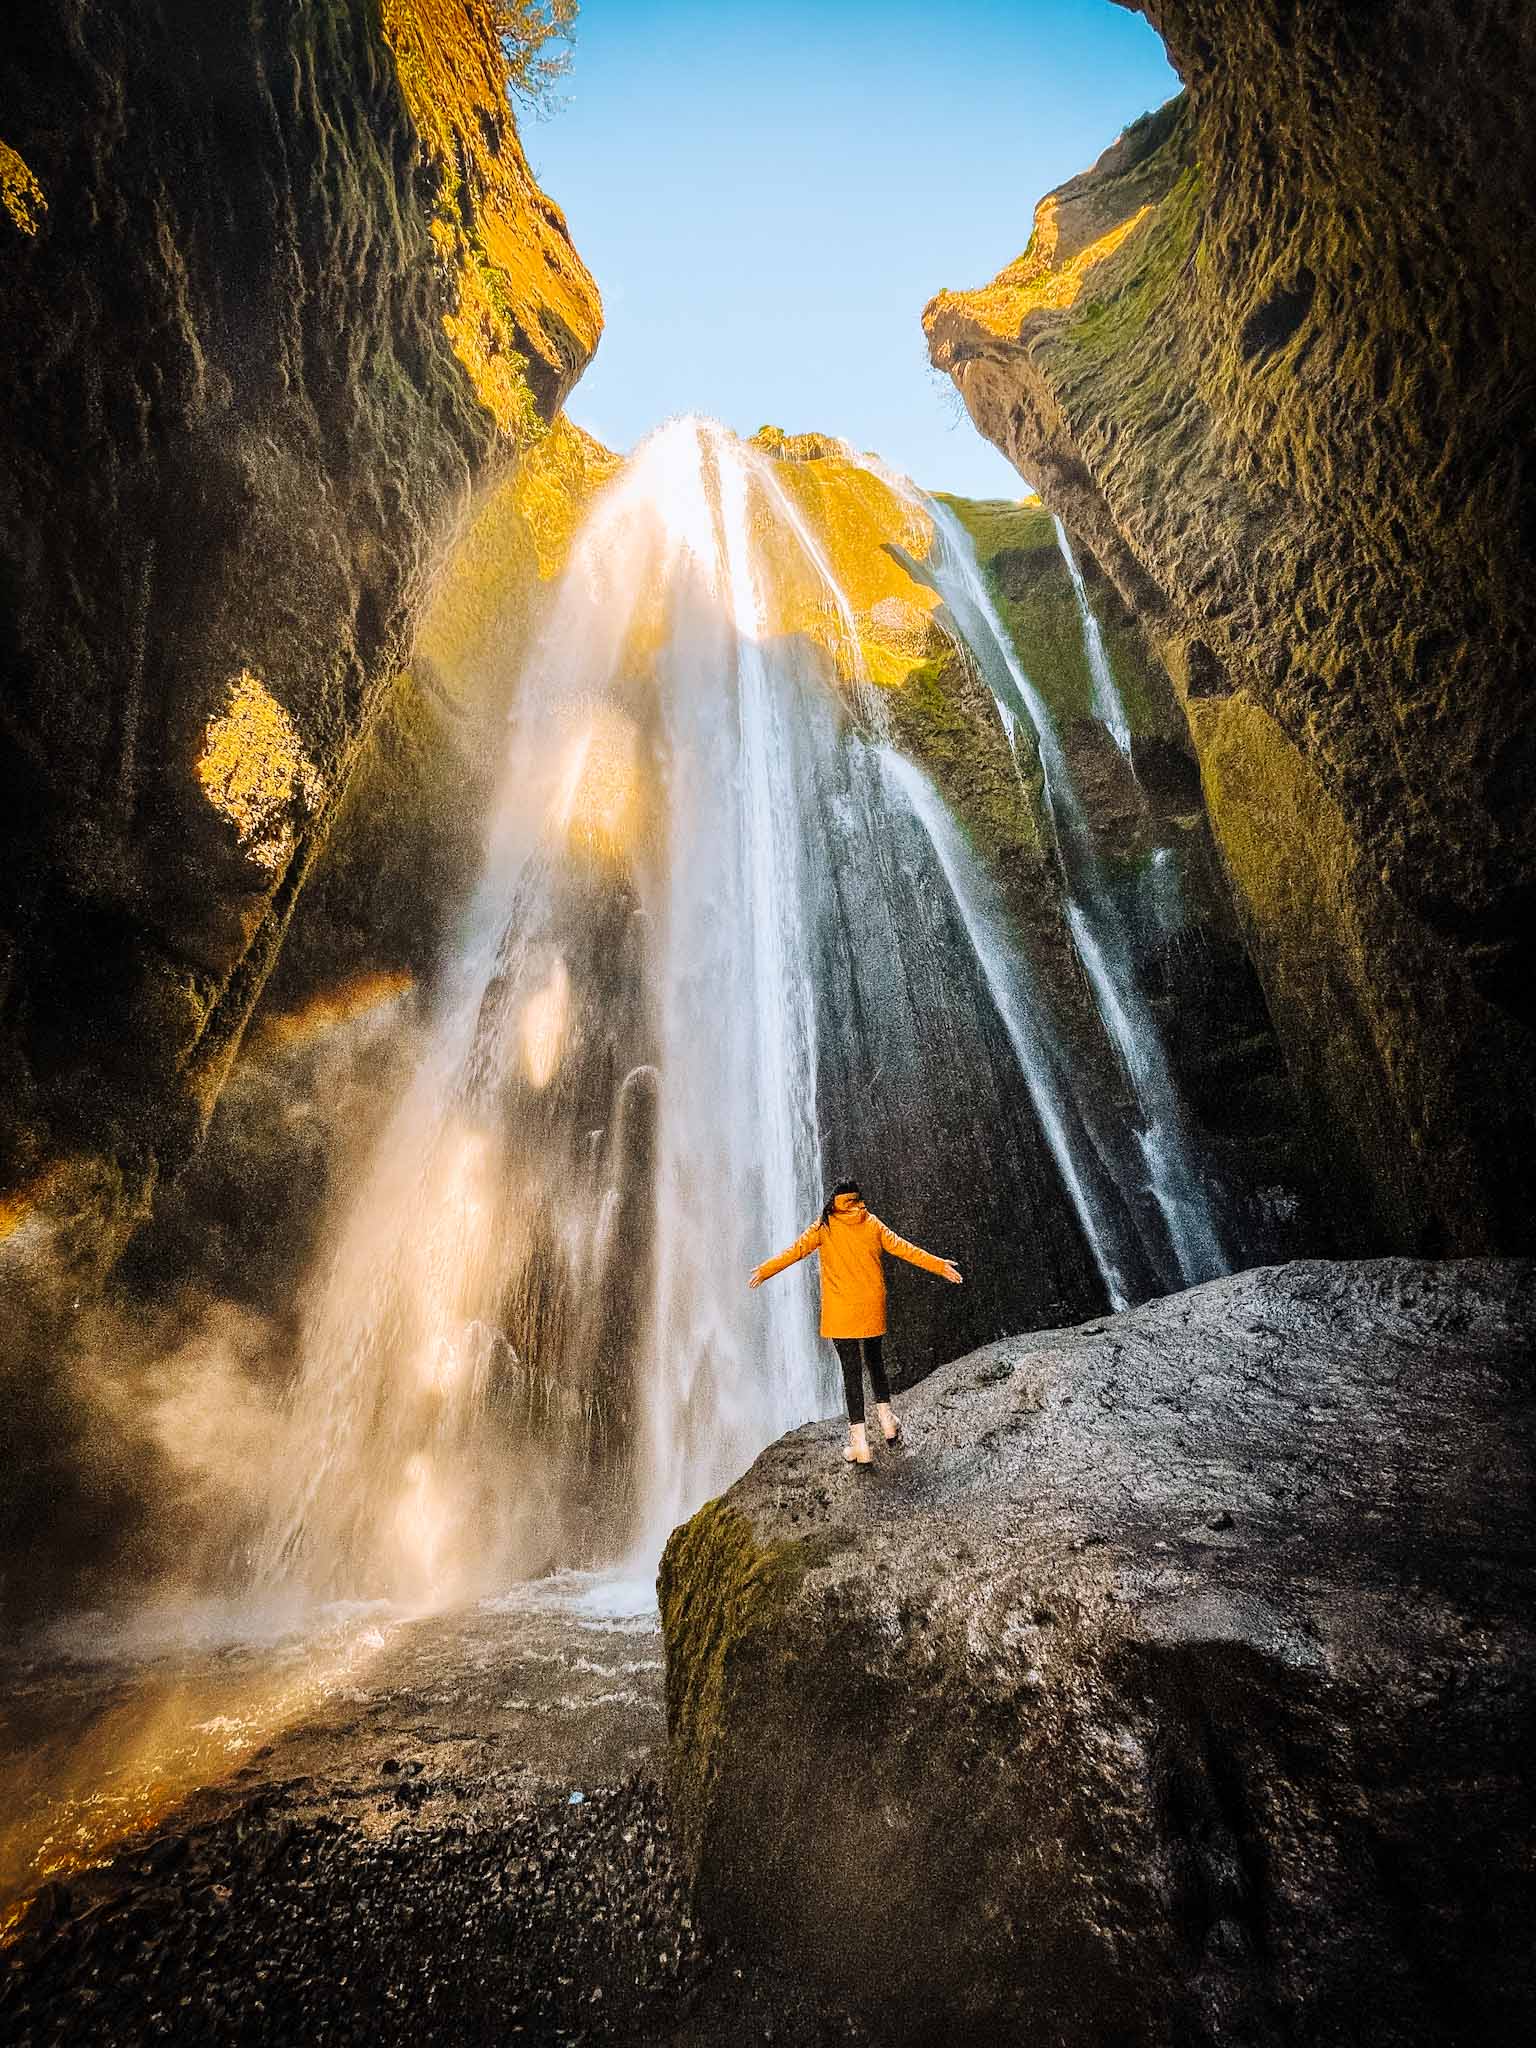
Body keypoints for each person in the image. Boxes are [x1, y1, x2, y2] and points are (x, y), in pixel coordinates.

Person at [749, 1180, 962, 1466]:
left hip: (842, 1312)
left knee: (851, 1373)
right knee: (875, 1362)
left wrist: (765, 1270)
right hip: (871, 1306)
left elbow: (796, 1250)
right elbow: (904, 1248)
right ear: (858, 1198)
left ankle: (860, 1444)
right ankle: (887, 1423)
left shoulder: (825, 1226)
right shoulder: (871, 1222)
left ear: (835, 1201)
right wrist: (939, 1265)